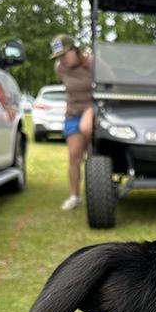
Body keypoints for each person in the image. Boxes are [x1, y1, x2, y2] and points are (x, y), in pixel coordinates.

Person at [49, 34, 94, 211]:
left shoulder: (92, 63)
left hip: (93, 110)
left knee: (93, 148)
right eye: (58, 56)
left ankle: (99, 185)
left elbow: (109, 84)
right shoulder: (59, 68)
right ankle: (75, 196)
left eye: (64, 54)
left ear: (75, 50)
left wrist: (92, 109)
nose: (62, 59)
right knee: (74, 156)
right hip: (73, 113)